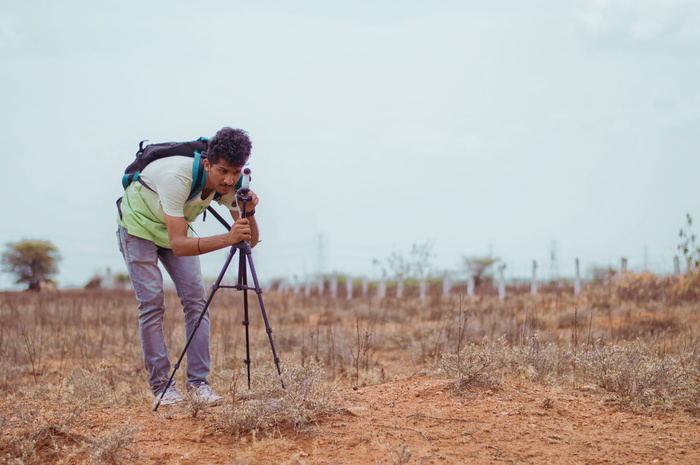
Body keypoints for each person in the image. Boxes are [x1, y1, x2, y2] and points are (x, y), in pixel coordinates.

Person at [116, 127, 259, 406]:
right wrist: (228, 238)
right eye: (223, 171)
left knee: (197, 302)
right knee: (152, 303)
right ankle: (161, 387)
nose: (229, 180)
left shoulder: (235, 182)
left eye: (236, 171)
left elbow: (249, 240)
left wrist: (249, 211)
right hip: (138, 228)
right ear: (207, 164)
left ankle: (199, 385)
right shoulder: (176, 177)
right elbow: (179, 245)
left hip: (175, 229)